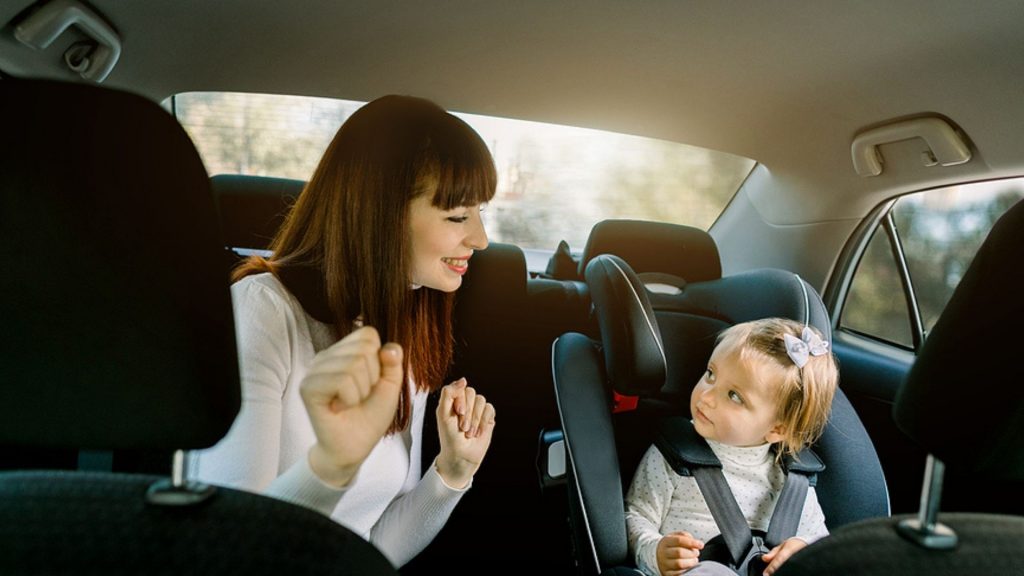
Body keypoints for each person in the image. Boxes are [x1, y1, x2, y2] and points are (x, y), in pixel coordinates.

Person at [189, 94, 497, 568]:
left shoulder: (403, 329)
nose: (480, 238)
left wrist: (452, 473)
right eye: (458, 216)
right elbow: (229, 549)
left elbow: (369, 547)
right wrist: (331, 465)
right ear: (383, 212)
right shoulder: (262, 312)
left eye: (480, 213)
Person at [625, 318, 838, 576]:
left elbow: (822, 541)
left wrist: (802, 548)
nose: (706, 396)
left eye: (734, 396)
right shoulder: (676, 457)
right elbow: (636, 517)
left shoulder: (793, 479)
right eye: (710, 374)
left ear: (777, 430)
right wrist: (655, 551)